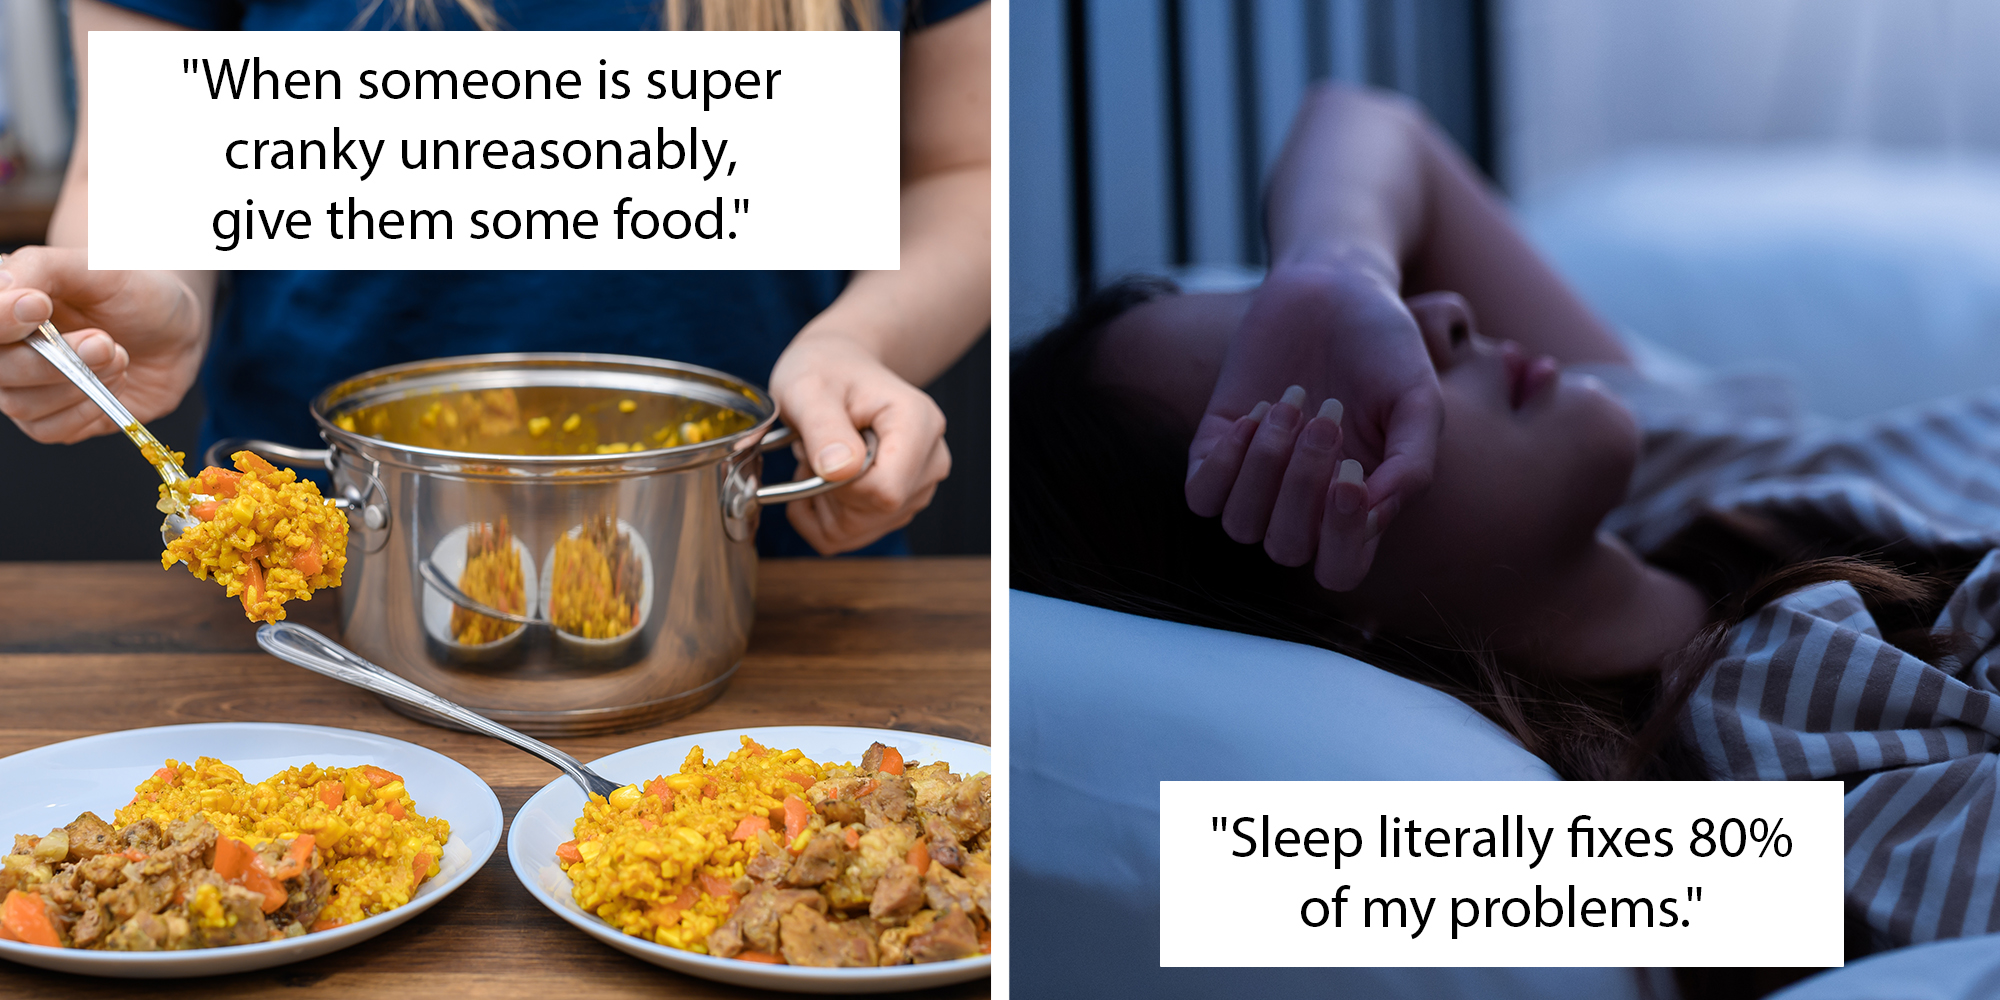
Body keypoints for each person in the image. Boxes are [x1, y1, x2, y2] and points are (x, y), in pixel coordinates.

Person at [1013, 83, 2000, 954]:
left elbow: (1372, 126)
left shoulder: (1676, 468)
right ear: (1317, 610)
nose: (1433, 315)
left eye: (1383, 309)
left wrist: (1331, 271)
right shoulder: (1732, 797)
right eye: (1335, 390)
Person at [0, 0, 989, 557]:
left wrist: (858, 342)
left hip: (772, 562)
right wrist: (149, 300)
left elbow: (967, 165)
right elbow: (151, 165)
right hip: (328, 574)